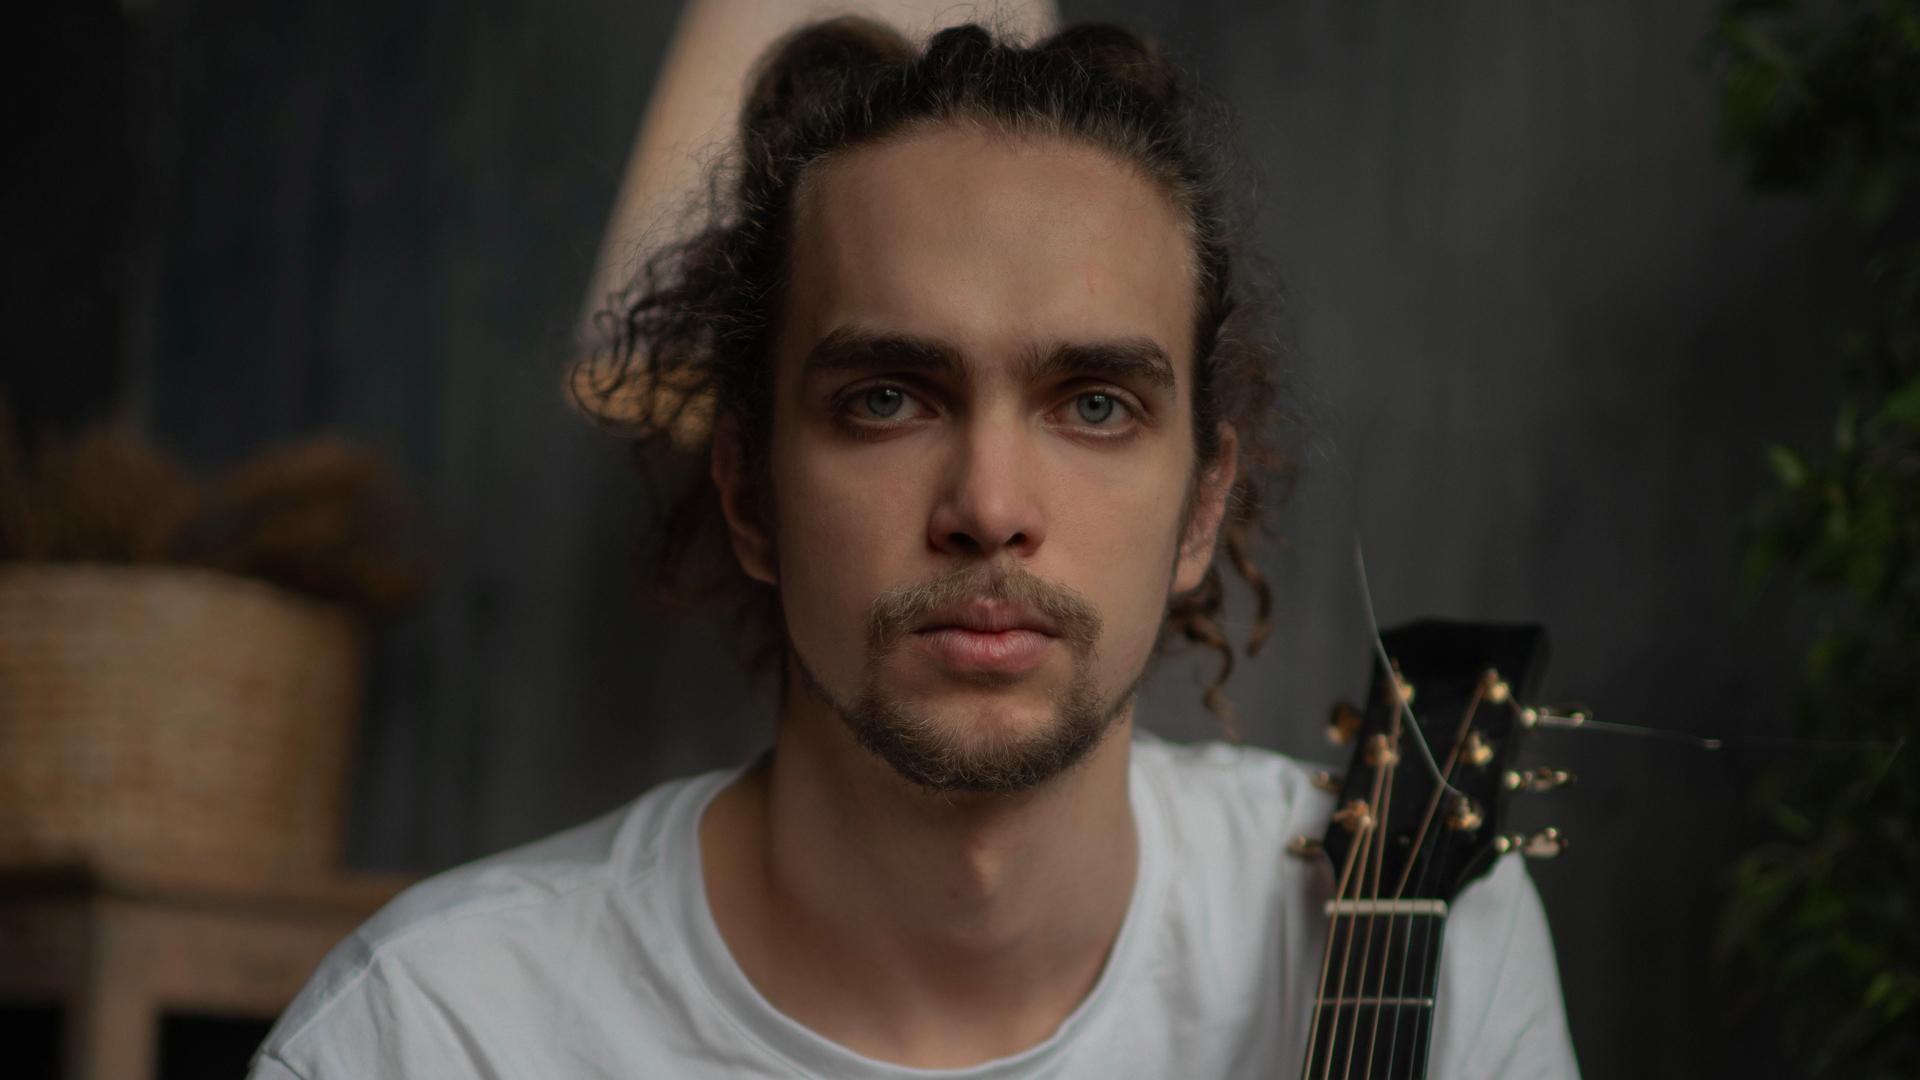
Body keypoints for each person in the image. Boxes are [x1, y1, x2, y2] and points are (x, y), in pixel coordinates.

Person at [250, 18, 1579, 1078]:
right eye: (888, 398)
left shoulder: (1412, 913)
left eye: (1094, 406)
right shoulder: (430, 1033)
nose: (988, 504)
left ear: (1199, 510)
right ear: (751, 496)